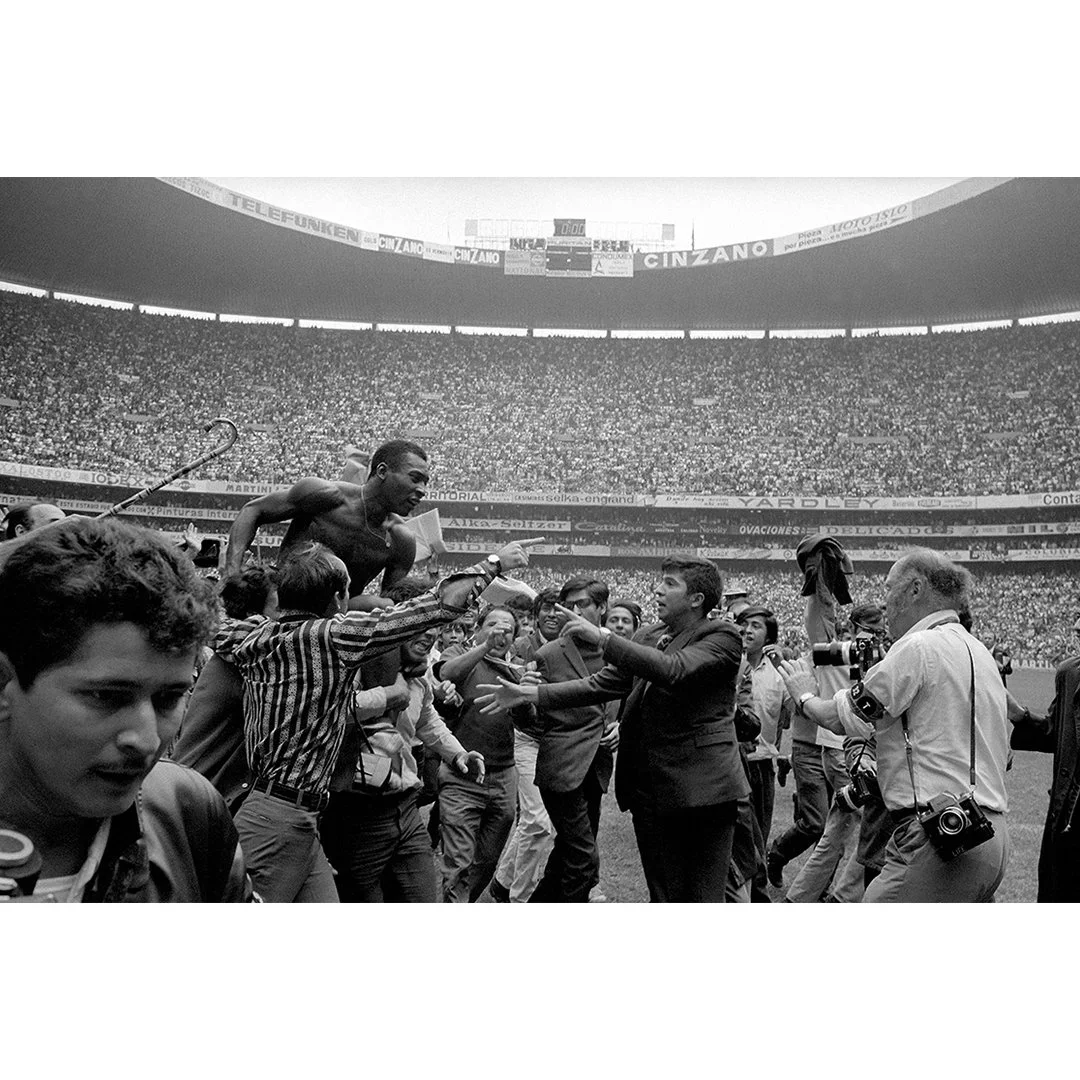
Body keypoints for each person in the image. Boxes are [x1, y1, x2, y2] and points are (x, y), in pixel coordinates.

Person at [215, 538, 539, 902]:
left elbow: (217, 625)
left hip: (292, 811)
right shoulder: (332, 638)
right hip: (278, 819)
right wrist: (494, 562)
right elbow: (433, 606)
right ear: (338, 599)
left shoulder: (253, 636)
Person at [0, 516, 253, 902]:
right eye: (106, 697)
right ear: (6, 685)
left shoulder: (188, 813)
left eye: (169, 698)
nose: (147, 740)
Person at [479, 555, 749, 903]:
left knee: (701, 898)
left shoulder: (721, 636)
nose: (657, 589)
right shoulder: (650, 634)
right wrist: (527, 693)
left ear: (697, 599)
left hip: (702, 790)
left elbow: (674, 670)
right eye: (659, 581)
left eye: (670, 584)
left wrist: (603, 638)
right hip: (651, 790)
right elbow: (600, 685)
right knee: (664, 894)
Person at [777, 548, 1010, 902]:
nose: (884, 606)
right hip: (990, 834)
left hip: (939, 835)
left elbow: (840, 718)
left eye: (889, 589)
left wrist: (805, 695)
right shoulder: (979, 652)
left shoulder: (917, 646)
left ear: (915, 589)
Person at [318, 591, 485, 902]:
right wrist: (387, 695)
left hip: (405, 808)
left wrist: (458, 752)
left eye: (436, 624)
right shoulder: (347, 672)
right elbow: (328, 713)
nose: (432, 633)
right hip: (356, 815)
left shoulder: (418, 681)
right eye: (422, 623)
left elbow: (428, 722)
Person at [223, 439, 430, 609]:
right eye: (415, 478)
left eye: (425, 483)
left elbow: (390, 606)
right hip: (279, 611)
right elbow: (253, 510)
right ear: (382, 471)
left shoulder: (401, 539)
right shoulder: (325, 496)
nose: (422, 490)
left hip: (334, 628)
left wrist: (364, 605)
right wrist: (231, 572)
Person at [766, 535, 853, 891]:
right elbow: (821, 619)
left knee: (840, 823)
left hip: (838, 747)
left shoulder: (857, 658)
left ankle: (823, 887)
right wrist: (821, 586)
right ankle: (778, 854)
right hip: (808, 746)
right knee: (816, 823)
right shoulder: (814, 657)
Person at [528, 576, 619, 903]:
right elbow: (531, 721)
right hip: (562, 769)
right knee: (584, 861)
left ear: (602, 607)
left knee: (568, 854)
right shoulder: (549, 654)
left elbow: (632, 695)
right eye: (570, 605)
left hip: (595, 769)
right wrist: (527, 700)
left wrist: (619, 723)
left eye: (583, 604)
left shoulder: (617, 650)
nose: (575, 611)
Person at [437, 605, 531, 902]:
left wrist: (526, 696)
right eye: (492, 625)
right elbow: (446, 673)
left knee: (487, 860)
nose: (499, 632)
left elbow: (531, 720)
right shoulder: (460, 655)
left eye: (507, 629)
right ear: (477, 629)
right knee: (458, 862)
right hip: (461, 775)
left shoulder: (519, 669)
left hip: (503, 777)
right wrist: (484, 648)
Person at [169, 565, 278, 814]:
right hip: (193, 797)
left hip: (207, 792)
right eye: (279, 607)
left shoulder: (239, 653)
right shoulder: (244, 661)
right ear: (255, 617)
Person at [1009, 639, 1080, 901]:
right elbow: (1057, 734)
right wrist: (1020, 716)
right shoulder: (1071, 674)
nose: (1076, 629)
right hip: (1068, 817)